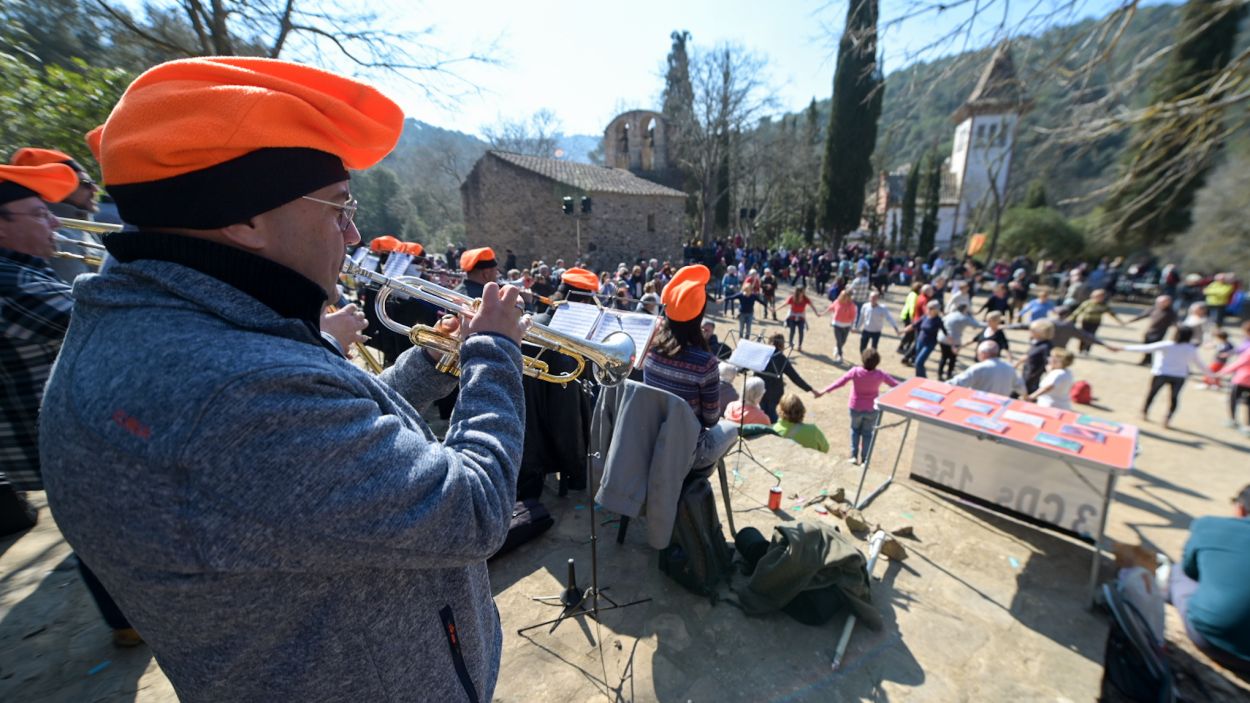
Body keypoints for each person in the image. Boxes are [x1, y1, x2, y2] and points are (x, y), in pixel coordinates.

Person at [39, 58, 529, 702]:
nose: (353, 232)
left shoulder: (159, 326)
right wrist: (495, 352)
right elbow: (475, 511)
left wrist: (433, 362)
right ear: (244, 218)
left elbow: (331, 448)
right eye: (338, 207)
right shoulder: (236, 395)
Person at [643, 264, 738, 467]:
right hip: (687, 448)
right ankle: (695, 479)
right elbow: (711, 420)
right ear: (699, 316)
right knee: (732, 429)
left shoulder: (651, 349)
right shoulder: (706, 363)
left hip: (652, 436)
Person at [1168, 485, 1250, 674]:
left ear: (1240, 508)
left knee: (1177, 572)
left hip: (1213, 639)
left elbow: (1190, 571)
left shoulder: (1208, 526)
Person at [9, 147, 104, 282]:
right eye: (85, 184)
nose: (95, 189)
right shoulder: (59, 236)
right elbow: (74, 296)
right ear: (58, 186)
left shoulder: (82, 223)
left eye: (93, 182)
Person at [815, 348, 899, 465]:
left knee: (855, 430)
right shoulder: (880, 375)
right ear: (877, 362)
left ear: (863, 359)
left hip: (856, 407)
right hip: (872, 409)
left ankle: (854, 456)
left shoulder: (855, 371)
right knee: (867, 433)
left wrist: (824, 391)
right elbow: (896, 385)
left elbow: (840, 382)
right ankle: (865, 459)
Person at [1111, 326, 1206, 429]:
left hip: (1161, 373)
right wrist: (1213, 375)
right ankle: (1167, 419)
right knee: (1174, 398)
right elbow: (1200, 364)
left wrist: (1122, 348)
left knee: (1152, 394)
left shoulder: (1167, 344)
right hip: (1179, 376)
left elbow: (1145, 348)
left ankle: (1144, 412)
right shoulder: (1190, 349)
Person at [760, 332, 815, 423]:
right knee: (773, 419)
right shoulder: (781, 358)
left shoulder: (762, 354)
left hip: (760, 391)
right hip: (775, 393)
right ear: (782, 344)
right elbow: (795, 377)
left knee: (762, 416)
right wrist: (810, 389)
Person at [949, 341, 1026, 397]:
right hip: (999, 408)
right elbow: (1021, 388)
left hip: (980, 406)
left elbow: (956, 383)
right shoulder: (1010, 368)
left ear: (983, 353)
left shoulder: (979, 368)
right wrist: (1027, 397)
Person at [1069, 288, 1125, 355]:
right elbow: (1077, 312)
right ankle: (1081, 349)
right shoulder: (1087, 303)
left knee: (1091, 336)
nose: (1099, 298)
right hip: (1086, 321)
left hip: (1095, 323)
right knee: (1083, 335)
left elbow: (1112, 314)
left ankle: (1086, 350)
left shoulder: (1104, 305)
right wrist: (1070, 319)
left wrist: (1120, 321)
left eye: (1101, 297)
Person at [937, 303, 984, 382]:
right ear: (964, 310)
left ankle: (940, 374)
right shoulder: (963, 318)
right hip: (954, 340)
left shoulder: (951, 314)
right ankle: (949, 374)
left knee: (944, 357)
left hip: (942, 338)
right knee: (952, 358)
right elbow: (977, 324)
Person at [1128, 295, 1178, 367]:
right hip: (1149, 331)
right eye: (1160, 302)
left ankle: (1154, 362)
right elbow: (1142, 315)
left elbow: (1175, 322)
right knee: (1146, 346)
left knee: (1154, 348)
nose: (1161, 303)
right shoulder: (1154, 308)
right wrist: (1131, 321)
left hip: (1160, 333)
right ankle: (1146, 360)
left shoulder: (1171, 312)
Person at [906, 303, 949, 379]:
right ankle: (918, 379)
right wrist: (903, 331)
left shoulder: (938, 320)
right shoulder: (925, 317)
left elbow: (945, 331)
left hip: (929, 344)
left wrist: (951, 343)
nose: (927, 310)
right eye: (927, 308)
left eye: (930, 308)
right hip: (920, 341)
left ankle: (923, 379)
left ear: (935, 310)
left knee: (919, 362)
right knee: (917, 362)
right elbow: (915, 325)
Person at [1019, 319, 1056, 394]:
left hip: (1032, 380)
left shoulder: (1046, 346)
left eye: (1032, 330)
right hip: (1025, 374)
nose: (1030, 331)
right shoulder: (1036, 342)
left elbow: (1048, 363)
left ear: (1041, 332)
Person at [779, 285, 820, 351]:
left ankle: (800, 345)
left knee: (801, 331)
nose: (802, 293)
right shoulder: (792, 298)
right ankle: (790, 343)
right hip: (792, 317)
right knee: (792, 331)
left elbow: (812, 306)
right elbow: (784, 304)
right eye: (800, 292)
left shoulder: (805, 298)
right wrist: (776, 309)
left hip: (801, 318)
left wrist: (817, 313)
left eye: (803, 292)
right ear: (797, 292)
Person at [825, 287, 858, 363]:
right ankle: (840, 355)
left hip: (847, 325)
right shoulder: (837, 302)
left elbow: (853, 316)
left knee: (843, 341)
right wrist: (822, 313)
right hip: (837, 324)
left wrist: (853, 326)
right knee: (839, 340)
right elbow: (831, 308)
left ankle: (837, 348)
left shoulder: (852, 305)